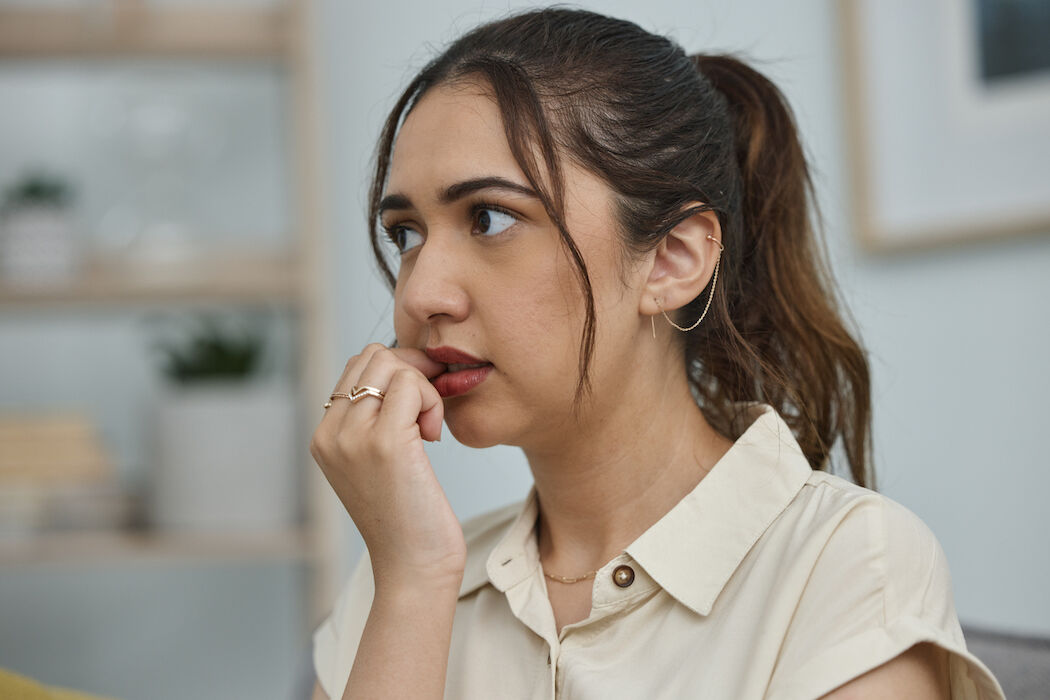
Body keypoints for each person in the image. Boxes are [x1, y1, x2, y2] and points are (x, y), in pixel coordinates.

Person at [307, 8, 1006, 699]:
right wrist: (414, 579)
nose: (421, 292)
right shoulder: (402, 573)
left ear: (672, 259)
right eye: (406, 234)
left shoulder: (847, 567)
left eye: (489, 218)